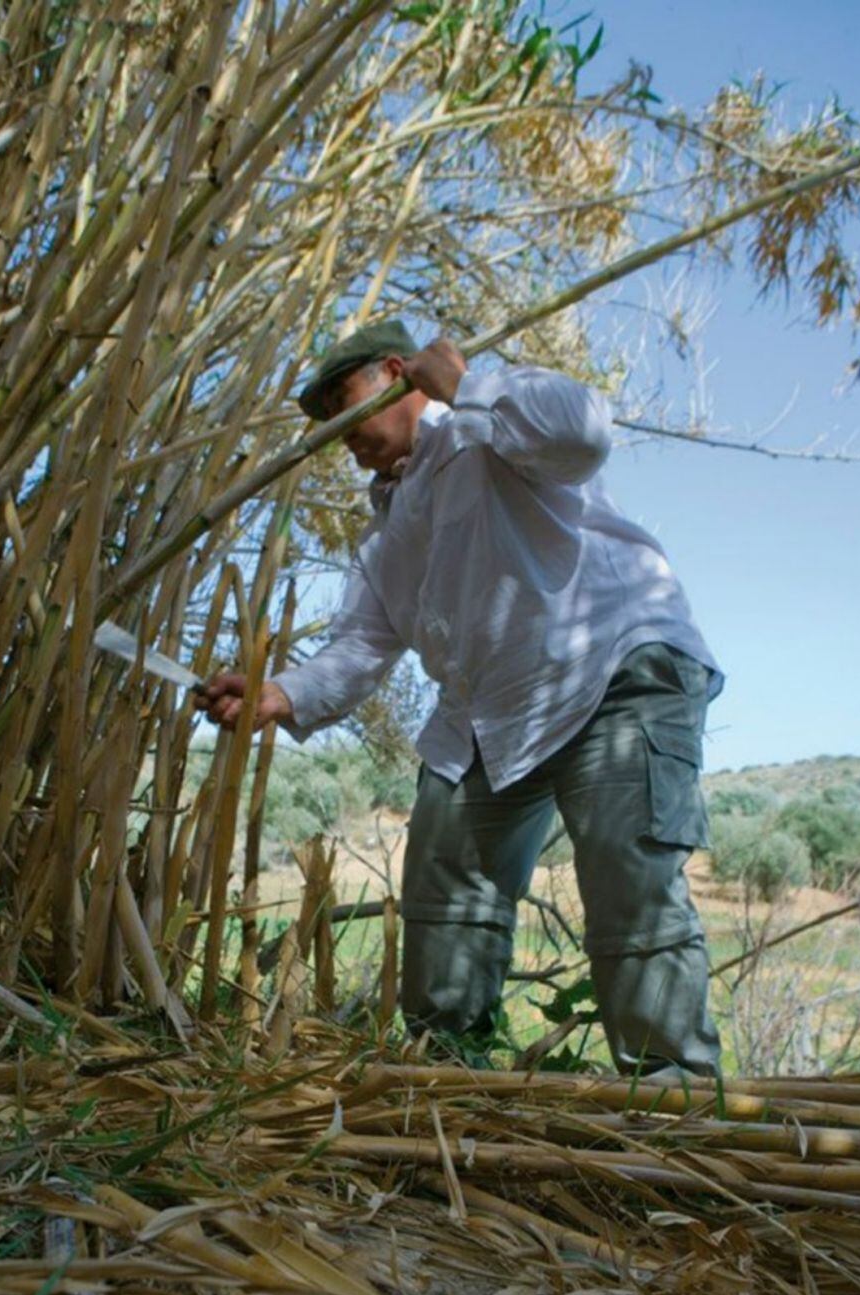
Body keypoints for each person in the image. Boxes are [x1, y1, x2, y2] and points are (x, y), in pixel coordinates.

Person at [199, 318, 723, 1077]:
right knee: (443, 887)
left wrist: (468, 385)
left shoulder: (486, 430)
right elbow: (361, 644)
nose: (337, 433)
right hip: (488, 714)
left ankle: (674, 1100)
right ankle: (447, 1082)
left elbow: (584, 433)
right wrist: (281, 693)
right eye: (323, 422)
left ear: (395, 372)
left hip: (611, 672)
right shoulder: (385, 532)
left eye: (343, 401)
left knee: (626, 879)